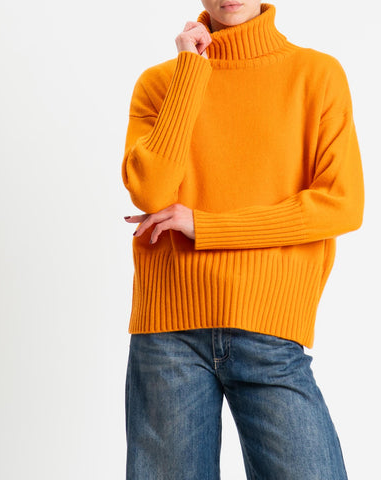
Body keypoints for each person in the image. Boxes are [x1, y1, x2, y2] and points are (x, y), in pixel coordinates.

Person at [121, 1, 364, 478]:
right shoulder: (161, 82)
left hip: (270, 332)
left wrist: (206, 227)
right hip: (168, 336)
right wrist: (190, 73)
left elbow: (341, 204)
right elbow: (150, 191)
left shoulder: (316, 75)